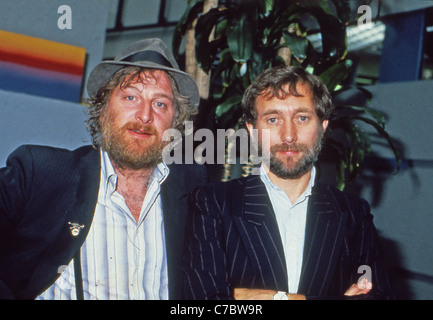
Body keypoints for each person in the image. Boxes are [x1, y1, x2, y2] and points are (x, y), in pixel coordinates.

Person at [0, 38, 207, 300]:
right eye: (131, 97)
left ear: (175, 123)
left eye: (160, 104)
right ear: (101, 109)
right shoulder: (41, 172)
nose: (145, 116)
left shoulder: (194, 189)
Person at [182, 65, 394, 300]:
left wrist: (277, 298)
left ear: (322, 128)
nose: (289, 135)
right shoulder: (213, 204)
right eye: (273, 119)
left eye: (302, 118)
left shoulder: (353, 213)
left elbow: (378, 295)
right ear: (252, 131)